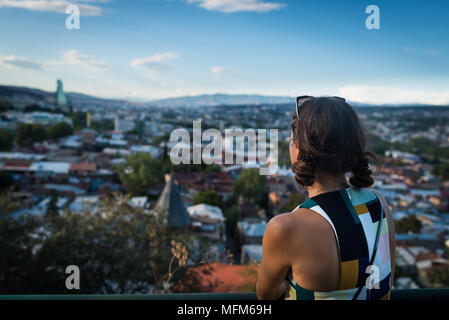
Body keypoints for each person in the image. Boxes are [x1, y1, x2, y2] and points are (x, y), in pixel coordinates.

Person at [256, 96, 396, 300]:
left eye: (292, 139)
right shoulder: (379, 204)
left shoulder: (286, 228)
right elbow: (387, 279)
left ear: (299, 152)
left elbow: (266, 296)